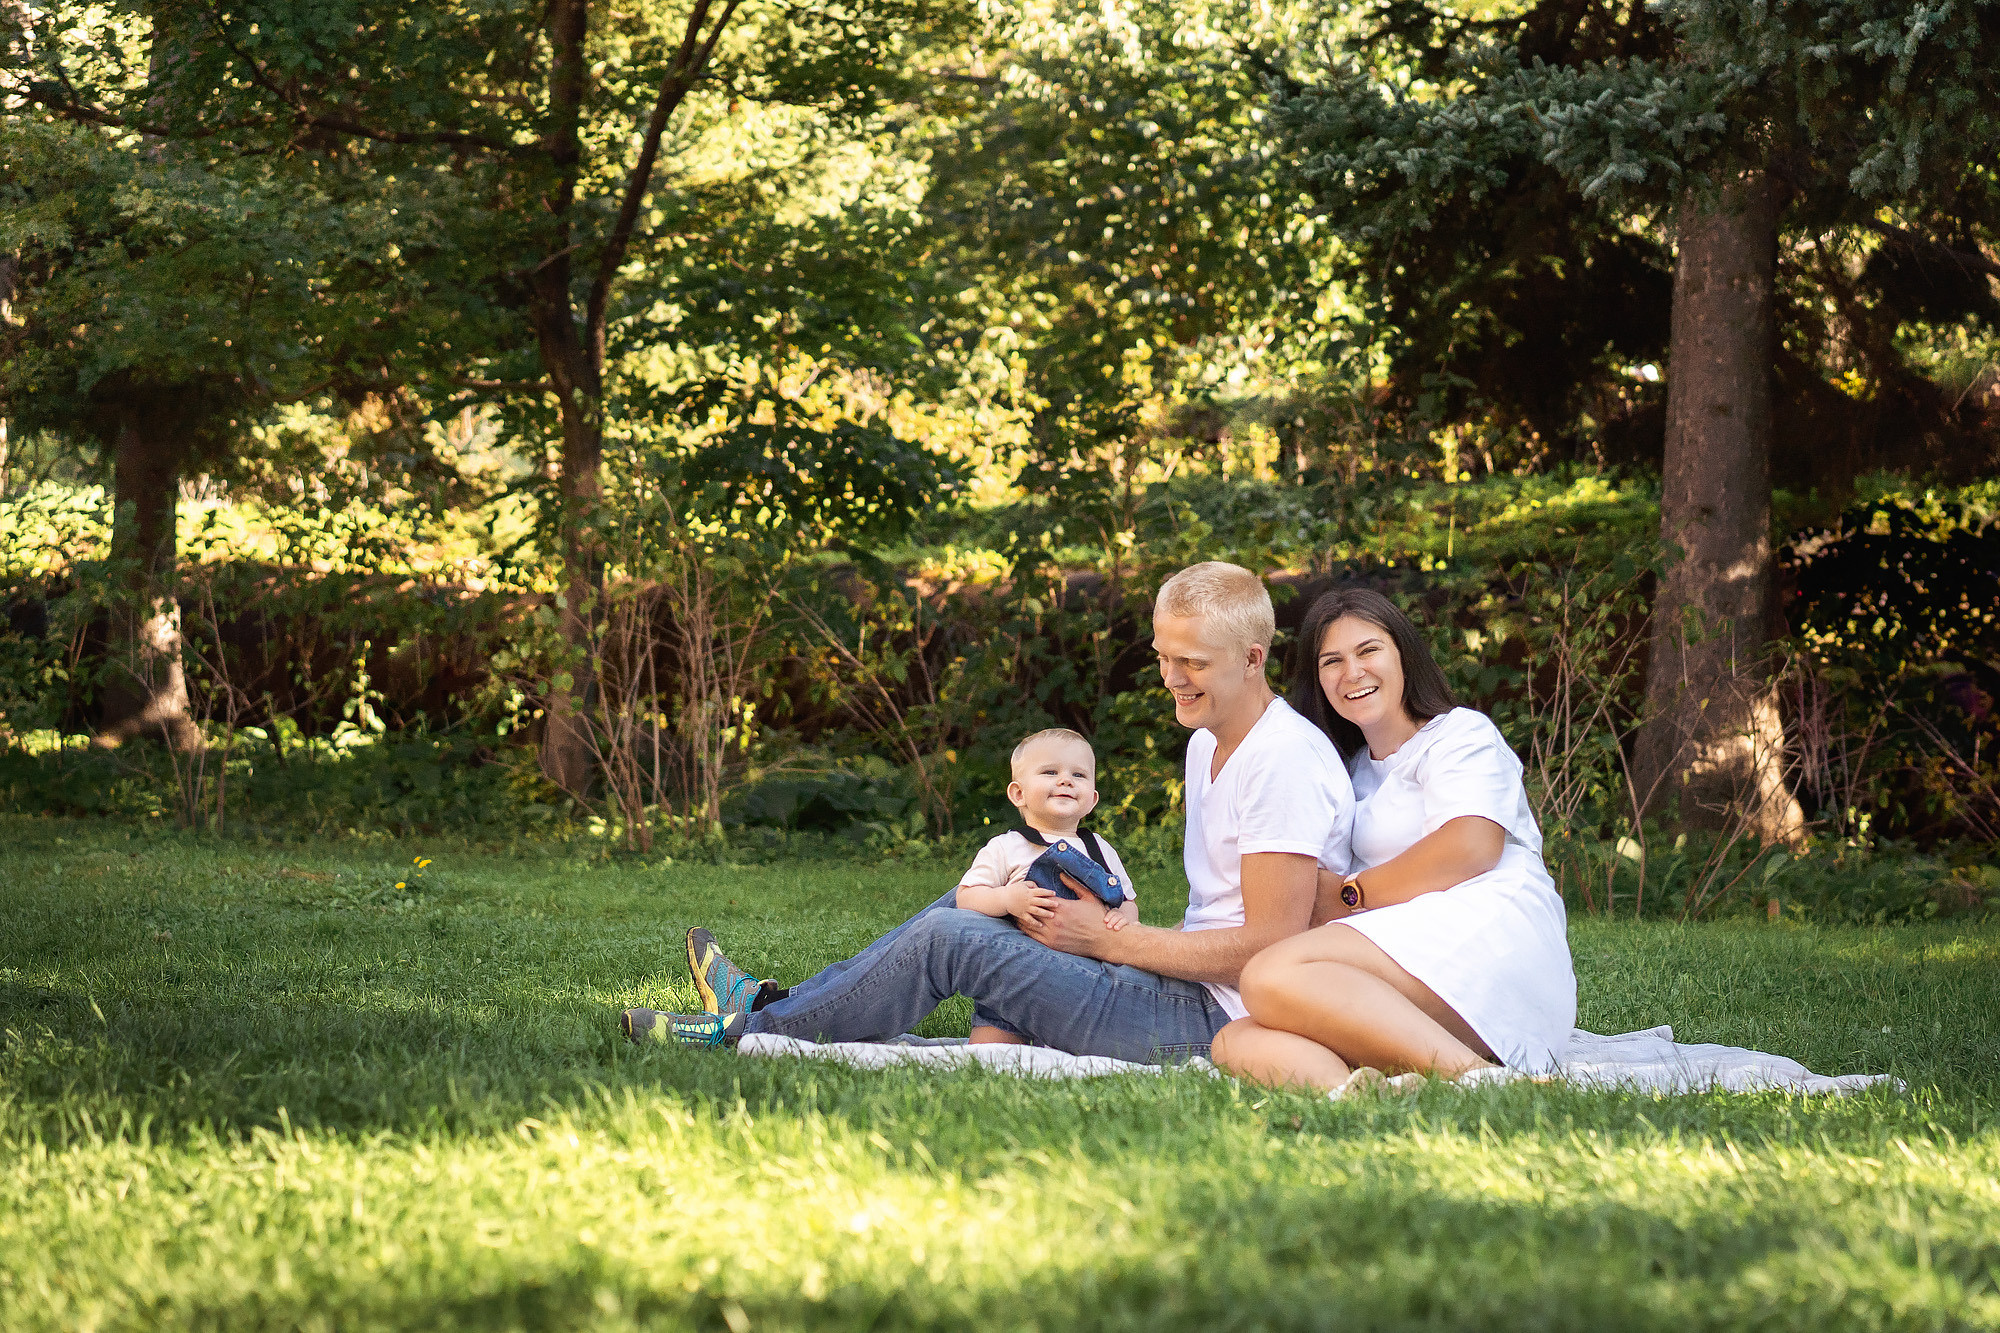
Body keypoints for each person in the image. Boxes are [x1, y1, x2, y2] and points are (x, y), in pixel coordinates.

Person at [619, 561, 1354, 1063]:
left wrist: (1107, 940)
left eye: (1192, 661)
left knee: (952, 938)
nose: (1171, 676)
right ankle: (776, 1004)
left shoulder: (1282, 759)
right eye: (1164, 654)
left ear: (1253, 659)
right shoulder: (1211, 740)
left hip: (1214, 1023)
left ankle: (745, 1031)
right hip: (1182, 989)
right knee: (991, 892)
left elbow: (1269, 945)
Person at [1208, 587, 1577, 1095]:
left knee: (1269, 973)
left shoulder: (1458, 735)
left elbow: (1471, 846)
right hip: (1413, 963)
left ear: (1404, 654)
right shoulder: (1348, 770)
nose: (1351, 672)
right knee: (1235, 1040)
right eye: (1331, 661)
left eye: (1368, 650)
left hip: (1491, 935)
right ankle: (1364, 1095)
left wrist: (1348, 894)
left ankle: (1481, 1082)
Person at [951, 727, 1139, 1043]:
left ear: (1092, 799)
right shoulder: (1006, 847)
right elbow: (966, 897)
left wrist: (1125, 918)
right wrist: (1006, 899)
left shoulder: (1101, 849)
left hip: (1080, 985)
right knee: (989, 1061)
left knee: (1063, 1062)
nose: (1065, 780)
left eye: (1078, 775)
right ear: (1018, 794)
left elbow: (1127, 900)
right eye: (1050, 772)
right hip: (1010, 984)